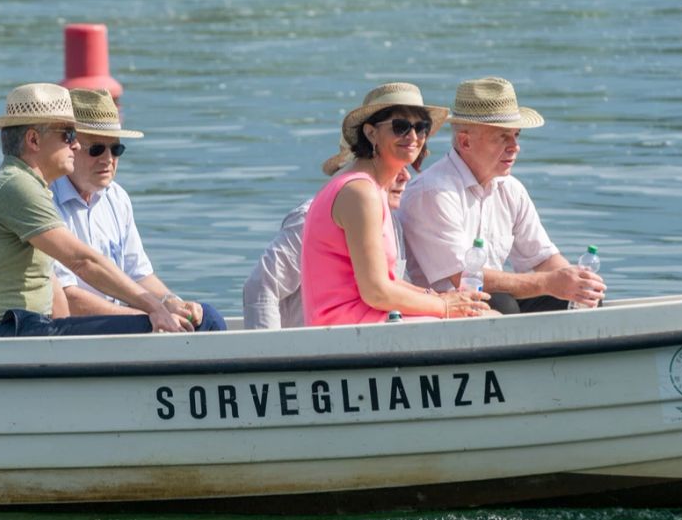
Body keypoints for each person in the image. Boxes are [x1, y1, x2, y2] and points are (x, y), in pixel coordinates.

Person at [0, 83, 188, 338]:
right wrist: (154, 308)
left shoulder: (27, 185)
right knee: (147, 327)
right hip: (0, 331)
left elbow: (56, 293)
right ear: (33, 140)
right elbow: (83, 261)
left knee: (196, 320)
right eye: (69, 135)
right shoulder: (17, 186)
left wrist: (163, 305)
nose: (77, 146)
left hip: (15, 327)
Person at [398, 76, 606, 313]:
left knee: (582, 297)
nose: (515, 146)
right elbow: (463, 278)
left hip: (485, 303)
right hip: (440, 309)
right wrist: (551, 282)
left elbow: (544, 259)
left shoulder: (511, 188)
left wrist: (578, 283)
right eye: (502, 136)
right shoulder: (433, 192)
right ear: (465, 142)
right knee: (502, 303)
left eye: (516, 135)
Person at [300, 82, 493, 326]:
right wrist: (444, 306)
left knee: (479, 313)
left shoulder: (369, 188)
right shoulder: (360, 193)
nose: (413, 137)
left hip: (356, 323)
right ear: (371, 133)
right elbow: (376, 292)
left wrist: (437, 297)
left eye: (421, 127)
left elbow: (386, 281)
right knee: (485, 320)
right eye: (400, 127)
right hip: (347, 328)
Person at [50, 88, 225, 331]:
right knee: (150, 325)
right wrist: (150, 314)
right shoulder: (46, 200)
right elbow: (69, 298)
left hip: (112, 316)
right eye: (97, 149)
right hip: (69, 323)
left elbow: (140, 275)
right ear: (72, 148)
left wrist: (171, 302)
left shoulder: (118, 197)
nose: (108, 159)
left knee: (208, 317)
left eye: (116, 149)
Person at [242, 137, 412, 330]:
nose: (405, 176)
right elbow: (261, 286)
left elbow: (394, 290)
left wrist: (443, 302)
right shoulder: (309, 218)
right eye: (392, 166)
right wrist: (271, 355)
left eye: (406, 165)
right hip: (310, 351)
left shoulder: (393, 222)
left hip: (364, 342)